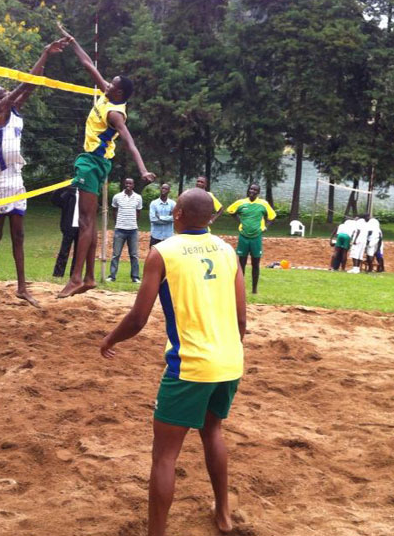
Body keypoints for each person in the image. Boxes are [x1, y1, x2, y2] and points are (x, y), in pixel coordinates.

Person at [100, 188, 246, 536]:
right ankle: (223, 514)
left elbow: (138, 319)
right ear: (210, 217)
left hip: (191, 365)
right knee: (212, 431)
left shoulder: (162, 253)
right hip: (229, 361)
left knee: (164, 456)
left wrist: (109, 339)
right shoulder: (228, 251)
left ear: (177, 213)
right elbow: (242, 321)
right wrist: (226, 350)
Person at [56, 22, 156, 298]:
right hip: (94, 162)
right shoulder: (107, 94)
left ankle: (76, 278)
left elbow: (129, 140)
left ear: (119, 93)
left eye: (112, 83)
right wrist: (72, 39)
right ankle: (88, 277)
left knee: (86, 222)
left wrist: (143, 170)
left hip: (92, 162)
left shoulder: (115, 112)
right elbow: (89, 65)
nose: (107, 83)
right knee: (89, 221)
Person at [0, 37, 69, 306]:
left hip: (16, 180)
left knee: (19, 235)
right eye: (2, 93)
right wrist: (43, 53)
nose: (6, 94)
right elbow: (24, 84)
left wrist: (46, 58)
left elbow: (32, 83)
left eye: (6, 92)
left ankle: (21, 287)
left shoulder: (15, 112)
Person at [226, 183, 276, 294]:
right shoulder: (241, 203)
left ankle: (254, 289)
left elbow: (272, 217)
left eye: (255, 189)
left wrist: (265, 227)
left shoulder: (263, 204)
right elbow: (230, 211)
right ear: (248, 190)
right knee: (241, 264)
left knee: (255, 264)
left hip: (256, 238)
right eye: (251, 189)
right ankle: (241, 289)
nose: (252, 191)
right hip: (243, 237)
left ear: (258, 192)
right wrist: (240, 221)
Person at [108, 178, 144, 283]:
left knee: (134, 255)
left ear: (133, 185)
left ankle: (135, 277)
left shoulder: (138, 197)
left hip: (133, 230)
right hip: (120, 230)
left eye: (130, 183)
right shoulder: (117, 197)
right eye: (127, 183)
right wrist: (117, 223)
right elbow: (114, 210)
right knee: (116, 254)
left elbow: (138, 212)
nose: (128, 185)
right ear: (124, 184)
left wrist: (132, 222)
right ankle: (112, 276)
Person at [51, 185, 79, 278]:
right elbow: (55, 200)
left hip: (82, 228)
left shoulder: (86, 194)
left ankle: (74, 274)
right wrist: (61, 188)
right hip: (69, 226)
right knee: (64, 250)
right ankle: (58, 273)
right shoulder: (69, 194)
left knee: (78, 252)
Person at [149, 182, 175, 247]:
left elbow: (175, 218)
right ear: (160, 189)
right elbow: (153, 219)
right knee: (153, 255)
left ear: (169, 191)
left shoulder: (173, 204)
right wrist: (168, 219)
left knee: (168, 255)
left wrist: (160, 217)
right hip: (155, 235)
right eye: (162, 188)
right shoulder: (153, 203)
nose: (164, 190)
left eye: (166, 189)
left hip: (168, 236)